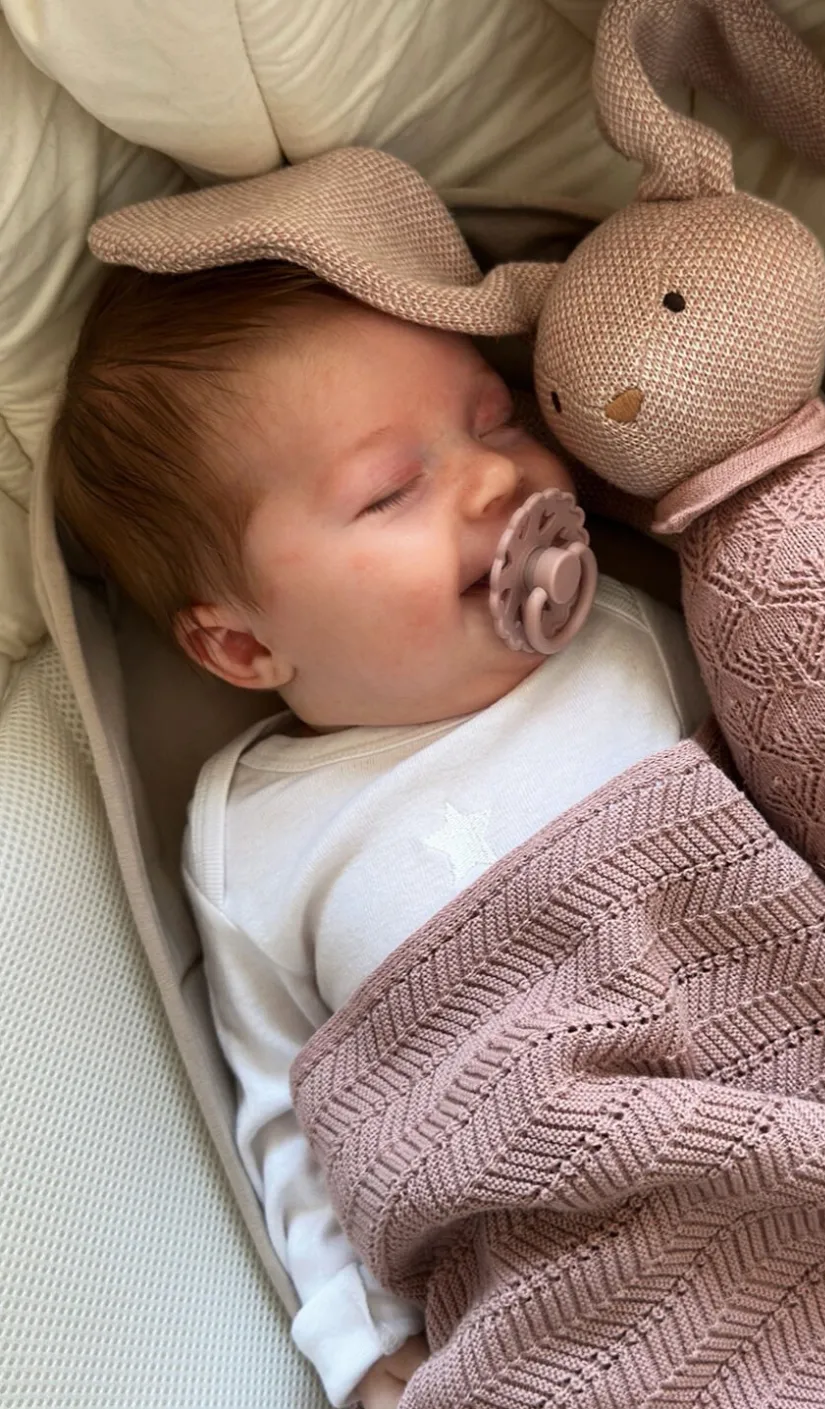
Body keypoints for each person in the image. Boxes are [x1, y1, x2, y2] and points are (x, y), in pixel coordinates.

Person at [49, 261, 709, 1407]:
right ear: (243, 647)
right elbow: (290, 1107)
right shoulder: (254, 834)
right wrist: (353, 1343)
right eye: (392, 490)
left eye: (494, 418)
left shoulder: (630, 630)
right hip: (559, 1267)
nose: (495, 476)